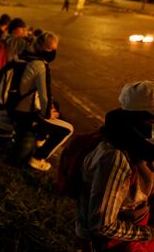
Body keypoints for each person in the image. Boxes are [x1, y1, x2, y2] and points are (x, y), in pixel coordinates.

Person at [76, 80, 154, 252]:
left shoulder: (136, 146)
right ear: (137, 121)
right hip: (113, 242)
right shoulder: (114, 159)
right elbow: (103, 226)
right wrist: (148, 233)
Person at [8, 31, 74, 171]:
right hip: (25, 114)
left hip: (12, 107)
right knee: (67, 128)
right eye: (52, 49)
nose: (53, 52)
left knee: (55, 106)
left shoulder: (22, 56)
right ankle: (38, 158)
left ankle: (39, 140)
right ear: (44, 48)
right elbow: (45, 96)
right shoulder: (40, 65)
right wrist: (49, 114)